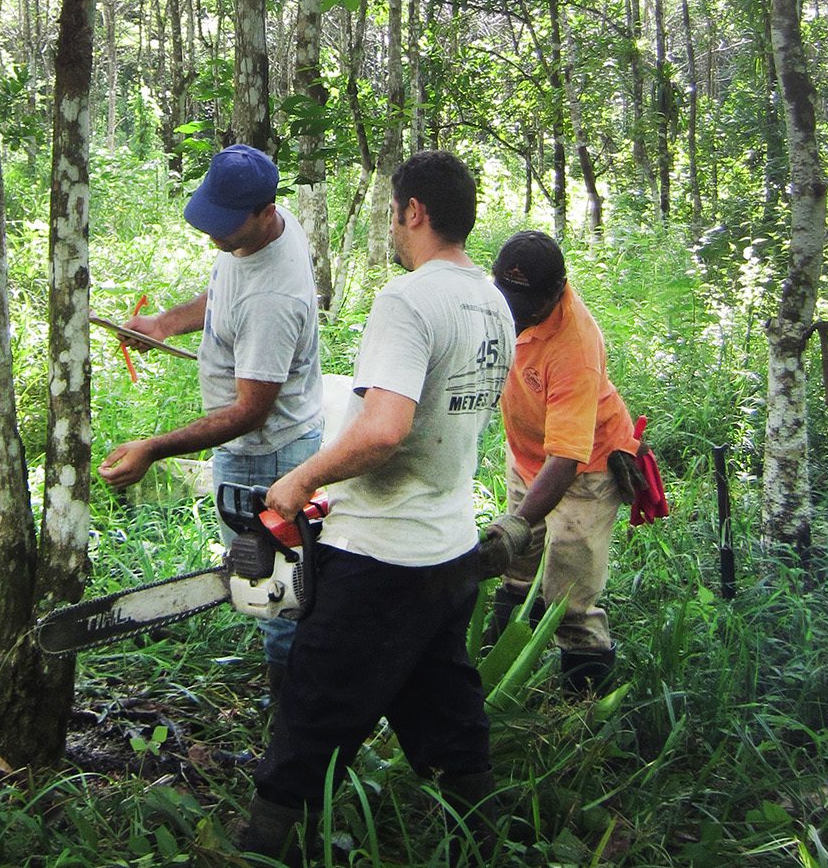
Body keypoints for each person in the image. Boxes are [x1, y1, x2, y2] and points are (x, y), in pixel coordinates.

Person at [244, 150, 516, 865]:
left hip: (381, 555)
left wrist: (301, 480)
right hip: (448, 548)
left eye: (394, 212)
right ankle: (485, 838)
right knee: (444, 706)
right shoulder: (493, 301)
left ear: (414, 212)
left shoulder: (408, 299)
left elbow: (385, 428)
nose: (392, 225)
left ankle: (263, 847)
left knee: (314, 708)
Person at [98, 143, 322, 693]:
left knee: (281, 595)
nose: (214, 238)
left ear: (265, 212)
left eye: (226, 227)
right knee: (265, 584)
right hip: (256, 448)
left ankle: (291, 726)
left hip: (270, 454)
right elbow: (227, 289)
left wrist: (152, 448)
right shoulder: (261, 231)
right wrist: (165, 323)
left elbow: (249, 412)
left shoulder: (274, 298)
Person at [480, 229, 645, 694]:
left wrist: (517, 524)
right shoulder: (498, 306)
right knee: (516, 569)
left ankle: (582, 711)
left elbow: (567, 458)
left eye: (523, 302)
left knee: (568, 598)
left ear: (555, 292)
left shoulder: (575, 346)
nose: (510, 312)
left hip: (585, 468)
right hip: (530, 458)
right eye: (504, 296)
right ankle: (499, 672)